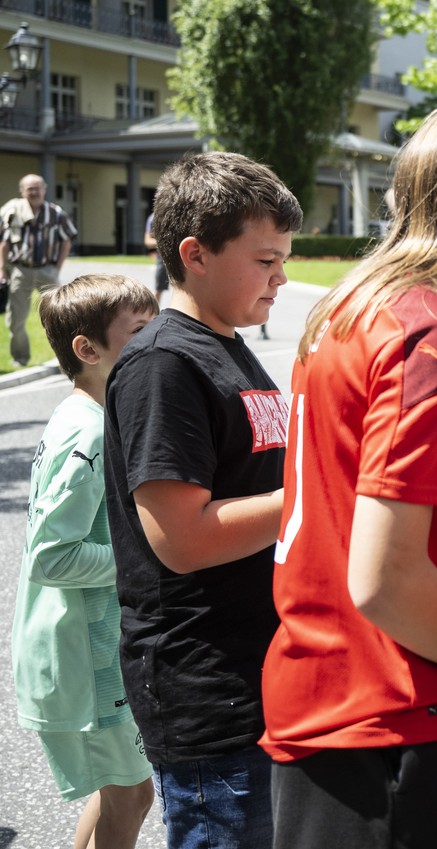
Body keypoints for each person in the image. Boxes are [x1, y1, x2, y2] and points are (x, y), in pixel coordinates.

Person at [258, 103, 437, 849]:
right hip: (390, 719)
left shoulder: (352, 306)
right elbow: (386, 578)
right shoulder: (433, 333)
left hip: (336, 705)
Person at [103, 151, 303, 848]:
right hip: (208, 688)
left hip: (260, 675)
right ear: (194, 253)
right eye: (266, 260)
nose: (282, 279)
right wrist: (318, 489)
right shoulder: (164, 363)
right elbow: (180, 537)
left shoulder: (228, 344)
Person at [14, 274, 158, 849]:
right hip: (86, 660)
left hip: (90, 650)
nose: (156, 345)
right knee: (129, 792)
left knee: (123, 789)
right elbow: (53, 555)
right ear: (88, 349)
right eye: (142, 333)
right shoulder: (91, 432)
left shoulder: (89, 413)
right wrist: (143, 557)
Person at [2, 174, 77, 366]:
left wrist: (57, 268)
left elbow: (66, 239)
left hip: (47, 270)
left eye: (37, 188)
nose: (34, 192)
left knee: (59, 315)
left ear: (44, 189)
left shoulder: (56, 213)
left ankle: (65, 359)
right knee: (16, 318)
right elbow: (4, 241)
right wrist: (2, 268)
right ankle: (20, 357)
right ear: (22, 191)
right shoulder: (11, 210)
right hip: (21, 270)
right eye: (29, 188)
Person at [145, 212, 168, 305]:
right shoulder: (153, 218)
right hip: (162, 258)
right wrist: (164, 241)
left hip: (180, 257)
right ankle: (154, 315)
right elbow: (147, 241)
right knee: (159, 290)